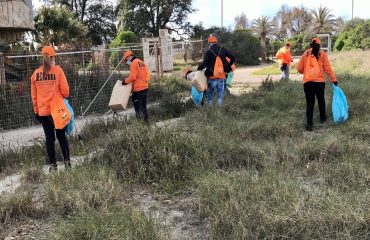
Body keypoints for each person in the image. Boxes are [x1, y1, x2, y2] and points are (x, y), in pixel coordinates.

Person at [31, 46, 70, 171]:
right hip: (57, 111)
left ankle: (53, 166)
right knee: (61, 137)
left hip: (43, 112)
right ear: (53, 57)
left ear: (42, 57)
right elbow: (66, 92)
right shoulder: (58, 70)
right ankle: (67, 163)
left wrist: (36, 111)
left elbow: (34, 96)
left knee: (49, 139)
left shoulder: (35, 74)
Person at [296, 38, 338, 131]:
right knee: (321, 100)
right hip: (319, 83)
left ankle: (309, 124)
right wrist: (334, 80)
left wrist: (305, 71)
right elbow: (328, 68)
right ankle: (322, 118)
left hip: (307, 83)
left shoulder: (306, 53)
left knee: (310, 104)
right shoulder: (322, 54)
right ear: (319, 45)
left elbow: (299, 68)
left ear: (311, 44)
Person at [197, 35, 235, 107]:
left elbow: (204, 64)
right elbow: (232, 57)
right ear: (215, 42)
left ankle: (210, 110)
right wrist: (229, 65)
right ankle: (219, 109)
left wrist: (198, 69)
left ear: (209, 43)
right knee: (220, 95)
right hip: (221, 76)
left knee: (210, 94)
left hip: (212, 77)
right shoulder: (222, 49)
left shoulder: (209, 51)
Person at [122, 50, 150, 123]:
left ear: (128, 57)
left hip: (138, 90)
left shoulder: (133, 63)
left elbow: (132, 77)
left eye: (126, 60)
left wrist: (125, 81)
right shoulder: (141, 62)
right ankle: (147, 125)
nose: (127, 62)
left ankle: (140, 128)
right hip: (145, 88)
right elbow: (147, 74)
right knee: (144, 108)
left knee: (138, 110)